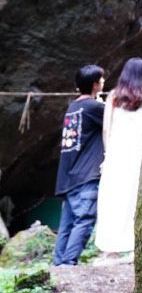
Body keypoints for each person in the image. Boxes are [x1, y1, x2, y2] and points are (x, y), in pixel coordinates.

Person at [53, 64, 106, 266]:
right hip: (85, 176)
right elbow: (116, 118)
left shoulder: (73, 108)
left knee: (67, 224)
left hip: (68, 177)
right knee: (84, 219)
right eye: (101, 79)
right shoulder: (94, 108)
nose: (103, 82)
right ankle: (68, 263)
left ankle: (59, 264)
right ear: (94, 85)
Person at [95, 57, 142, 258]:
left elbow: (106, 129)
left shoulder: (114, 97)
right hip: (139, 155)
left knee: (112, 200)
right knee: (134, 200)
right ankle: (135, 247)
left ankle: (111, 250)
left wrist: (107, 155)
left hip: (116, 155)